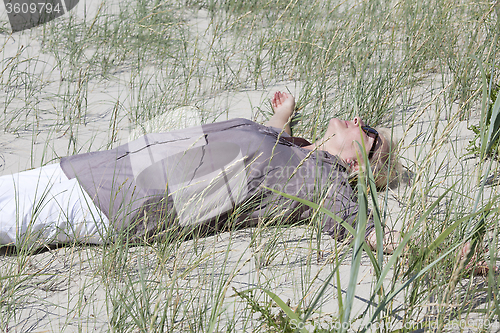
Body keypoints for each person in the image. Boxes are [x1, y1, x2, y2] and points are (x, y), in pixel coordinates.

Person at [0, 91, 401, 251]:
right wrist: (282, 116)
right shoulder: (300, 153)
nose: (358, 120)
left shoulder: (323, 180)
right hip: (113, 164)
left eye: (369, 133)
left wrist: (414, 248)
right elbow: (270, 155)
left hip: (119, 200)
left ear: (358, 165)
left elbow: (359, 227)